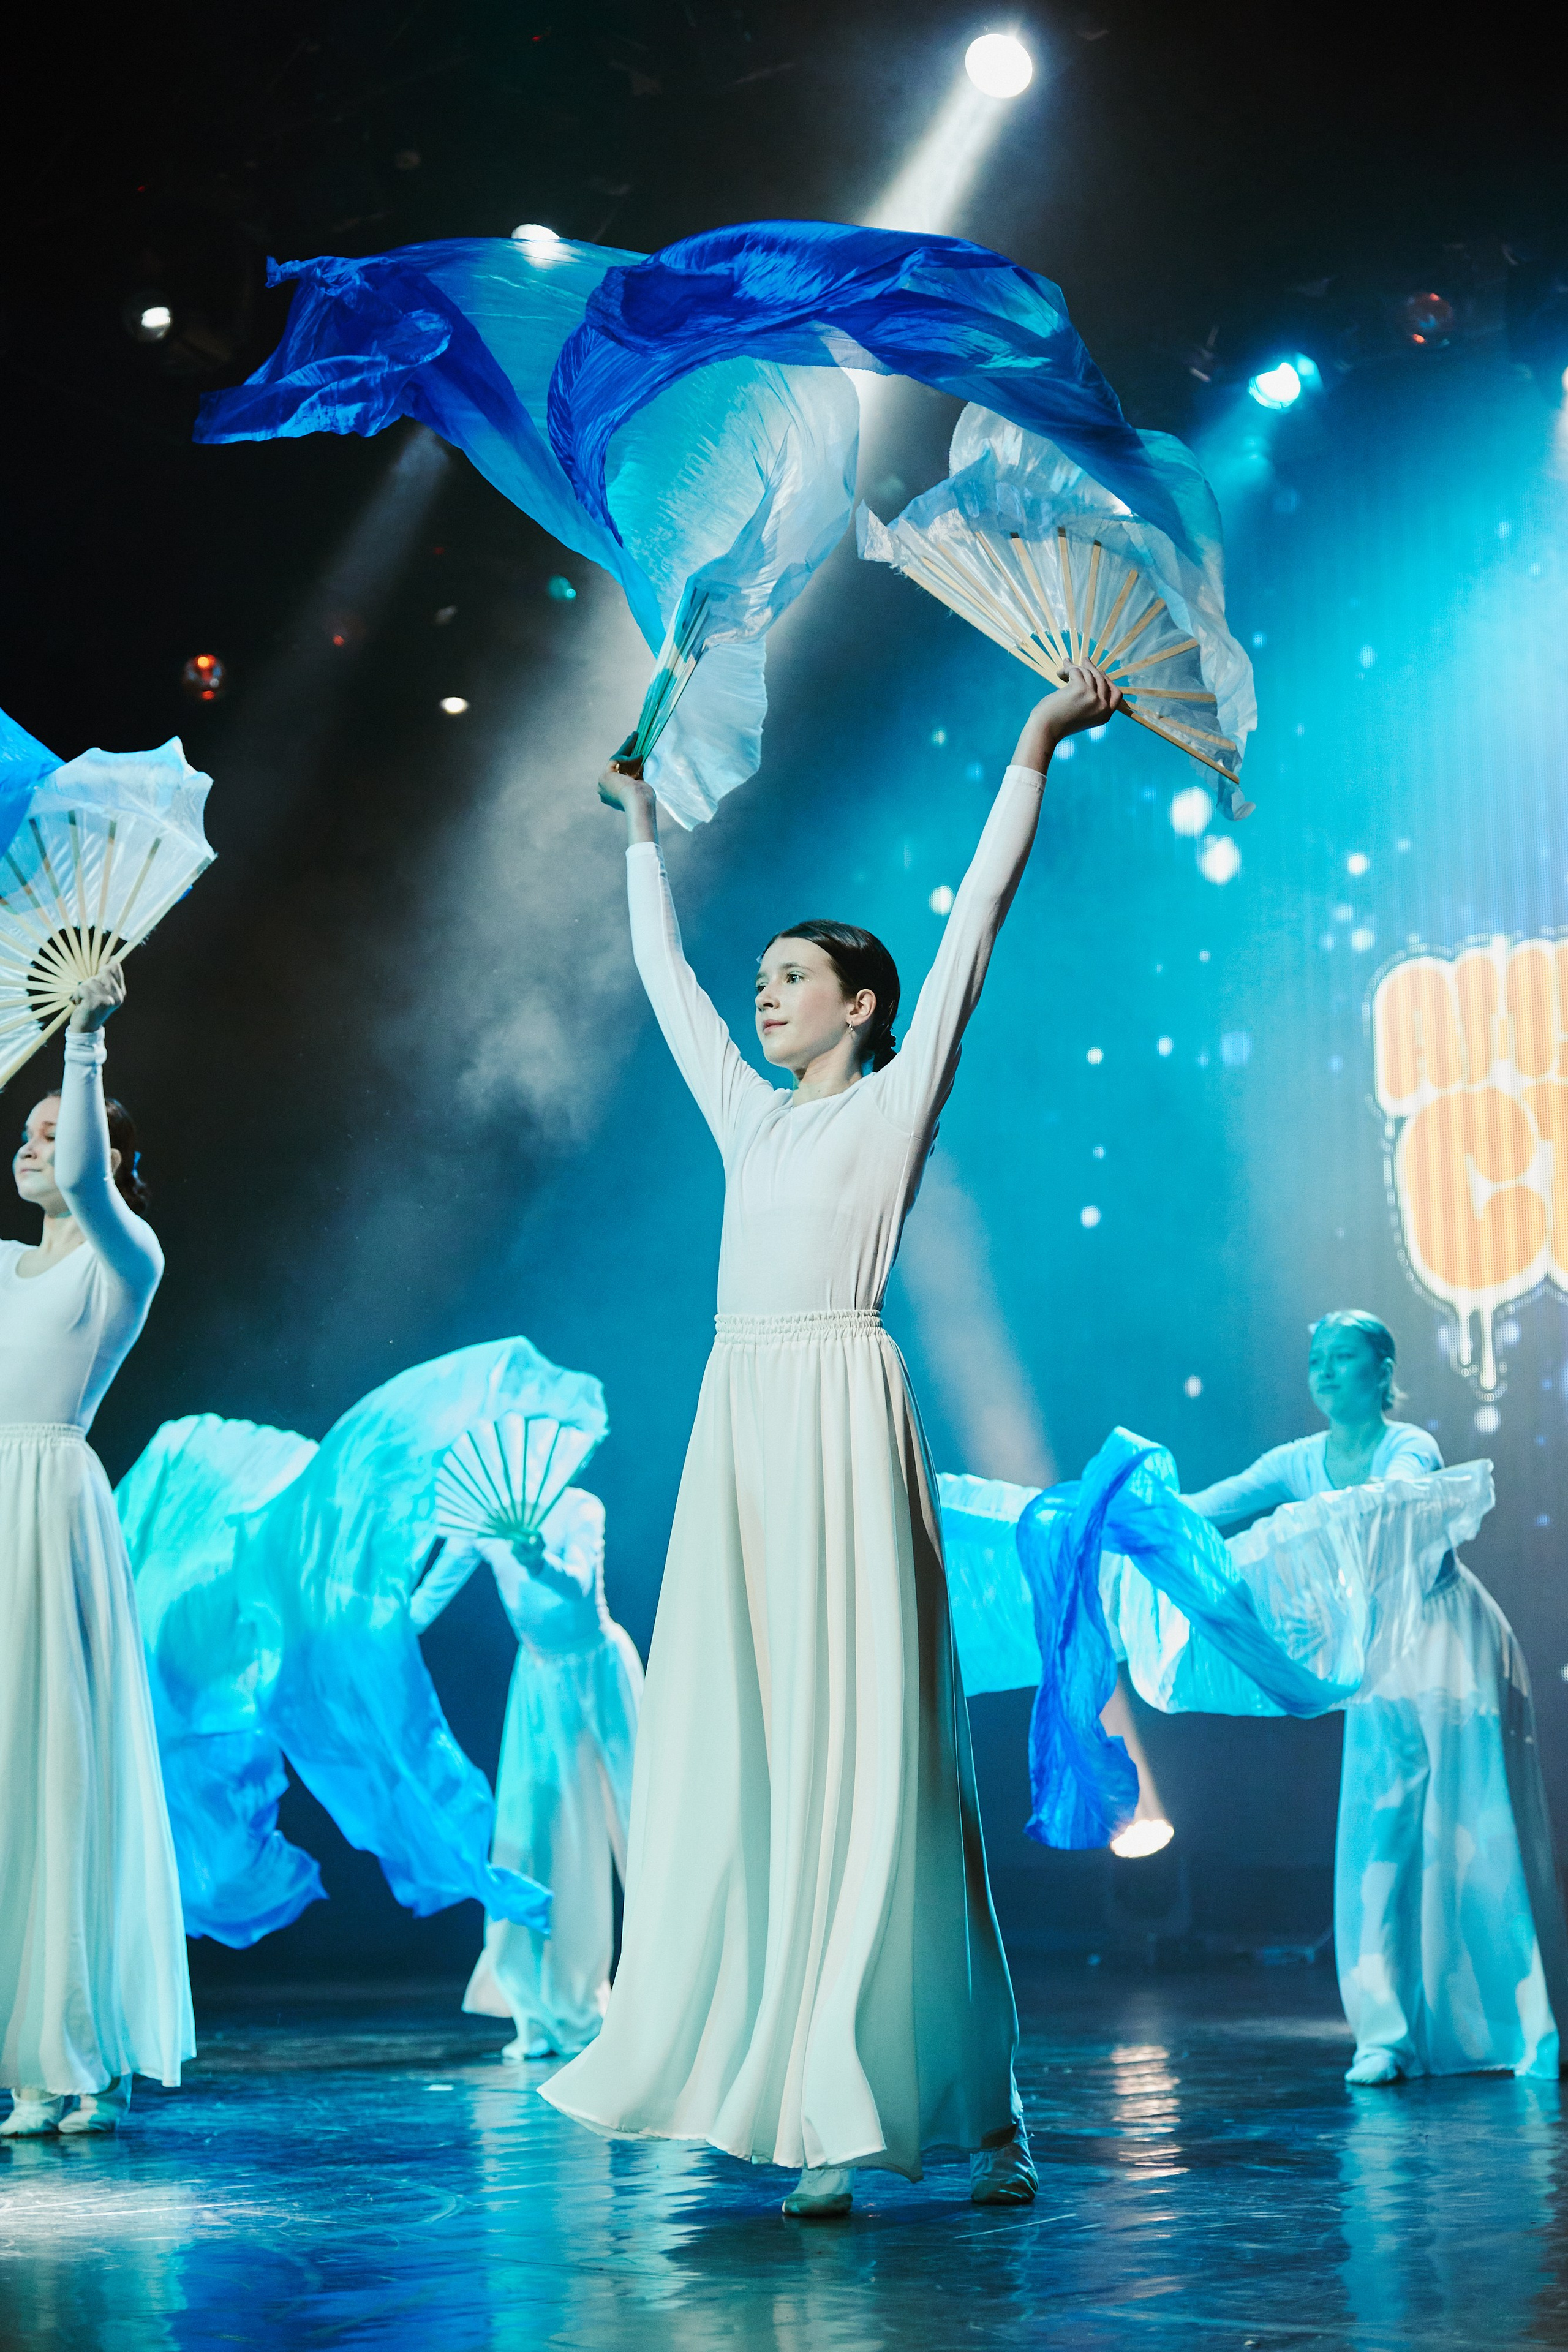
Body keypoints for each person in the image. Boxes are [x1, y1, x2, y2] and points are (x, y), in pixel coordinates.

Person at [541, 660, 1124, 2214]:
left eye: (791, 975)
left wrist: (1027, 748)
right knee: (755, 1748)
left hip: (843, 1416)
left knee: (878, 1758)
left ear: (858, 1004)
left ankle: (957, 2108)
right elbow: (664, 981)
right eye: (766, 975)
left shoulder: (888, 1099)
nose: (763, 991)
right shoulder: (749, 1117)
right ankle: (797, 2090)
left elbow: (974, 929)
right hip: (742, 1419)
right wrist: (640, 832)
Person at [1185, 1309, 1568, 2085]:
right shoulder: (1300, 1460)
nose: (1325, 1372)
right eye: (1316, 1359)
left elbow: (1390, 1504)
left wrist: (1304, 1529)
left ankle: (1523, 2026)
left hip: (1448, 1646)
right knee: (1379, 1830)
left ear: (1384, 1372)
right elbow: (1215, 1503)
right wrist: (1132, 1516)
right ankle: (1384, 2032)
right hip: (1379, 1657)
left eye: (1345, 1357)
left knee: (1473, 1821)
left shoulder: (1409, 1446)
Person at [0, 962, 194, 2136]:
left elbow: (77, 1170)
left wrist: (85, 1040)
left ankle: (63, 2054)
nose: (34, 1149)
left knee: (55, 1764)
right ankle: (42, 2047)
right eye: (17, 1133)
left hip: (51, 1500)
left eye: (52, 1132)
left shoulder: (125, 1257)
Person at [409, 1488, 643, 2058]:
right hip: (541, 1685)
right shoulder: (477, 1520)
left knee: (644, 1825)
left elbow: (579, 1585)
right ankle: (544, 2006)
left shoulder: (581, 1507)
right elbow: (426, 1603)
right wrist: (370, 1621)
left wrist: (538, 1558)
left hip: (603, 1674)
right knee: (534, 1842)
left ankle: (687, 1990)